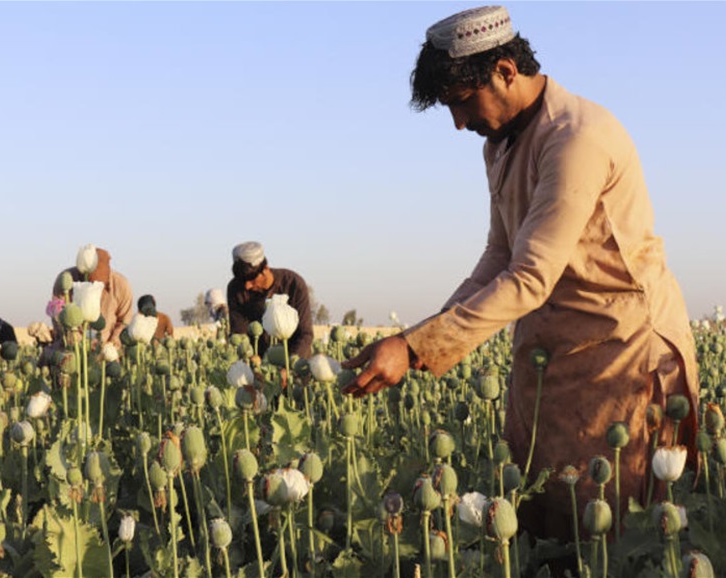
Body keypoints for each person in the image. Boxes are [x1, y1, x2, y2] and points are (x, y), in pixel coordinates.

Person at [341, 5, 698, 546]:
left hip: (620, 353)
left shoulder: (575, 139)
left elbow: (529, 276)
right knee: (542, 511)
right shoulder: (500, 143)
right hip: (551, 353)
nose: (459, 123)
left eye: (463, 102)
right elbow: (498, 255)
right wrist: (413, 338)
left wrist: (414, 349)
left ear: (506, 71)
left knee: (612, 531)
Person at [227, 241, 314, 358]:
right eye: (242, 280)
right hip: (259, 365)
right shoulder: (235, 289)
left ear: (265, 269)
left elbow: (305, 334)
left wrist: (291, 364)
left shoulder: (293, 284)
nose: (247, 286)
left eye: (251, 279)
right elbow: (239, 333)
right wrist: (250, 359)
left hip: (294, 361)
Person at [50, 245, 133, 347]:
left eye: (99, 285)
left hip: (107, 346)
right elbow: (57, 314)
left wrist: (111, 344)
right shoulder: (65, 280)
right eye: (91, 283)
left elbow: (125, 320)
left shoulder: (121, 284)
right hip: (72, 344)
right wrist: (77, 341)